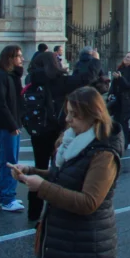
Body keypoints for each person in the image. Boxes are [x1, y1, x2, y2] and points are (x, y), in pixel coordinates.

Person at [11, 86, 125, 258]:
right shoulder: (72, 141)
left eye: (74, 114)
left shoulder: (104, 152)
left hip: (83, 248)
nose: (68, 119)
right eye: (68, 112)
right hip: (59, 244)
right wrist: (31, 173)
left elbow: (89, 202)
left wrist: (43, 187)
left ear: (93, 115)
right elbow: (63, 177)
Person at [26, 51, 76, 222]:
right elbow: (86, 79)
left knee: (38, 167)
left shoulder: (31, 79)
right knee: (58, 170)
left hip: (38, 131)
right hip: (58, 131)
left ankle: (33, 212)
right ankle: (55, 210)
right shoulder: (61, 81)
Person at [0, 45, 26, 213]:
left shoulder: (12, 77)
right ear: (9, 59)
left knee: (4, 161)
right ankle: (7, 198)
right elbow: (0, 104)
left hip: (12, 124)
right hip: (6, 127)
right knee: (9, 163)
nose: (22, 59)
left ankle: (1, 197)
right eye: (18, 56)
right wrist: (12, 125)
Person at [108, 52, 130, 150]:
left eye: (128, 58)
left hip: (127, 103)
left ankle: (126, 141)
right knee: (118, 122)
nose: (126, 59)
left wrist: (120, 78)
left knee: (123, 123)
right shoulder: (120, 69)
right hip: (117, 102)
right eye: (126, 57)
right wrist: (111, 93)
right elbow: (114, 84)